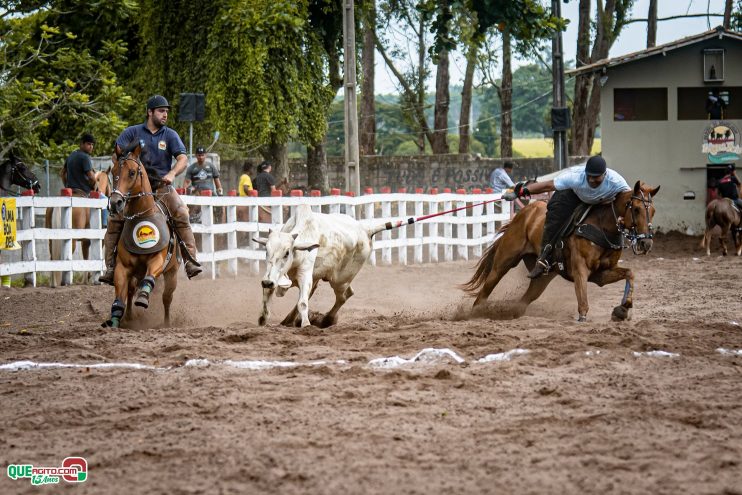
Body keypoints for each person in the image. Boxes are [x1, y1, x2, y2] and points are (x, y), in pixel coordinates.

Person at [99, 94, 202, 285]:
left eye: (166, 112)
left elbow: (183, 159)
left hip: (161, 188)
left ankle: (190, 260)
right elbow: (117, 156)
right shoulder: (131, 132)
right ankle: (111, 267)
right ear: (150, 112)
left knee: (181, 213)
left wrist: (172, 174)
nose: (165, 115)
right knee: (114, 220)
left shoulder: (170, 135)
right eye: (161, 111)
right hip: (133, 191)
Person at [504, 155, 631, 279]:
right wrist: (520, 191)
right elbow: (547, 185)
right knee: (554, 217)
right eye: (589, 176)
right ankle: (544, 258)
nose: (591, 180)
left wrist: (624, 217)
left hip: (600, 201)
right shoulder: (575, 177)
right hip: (572, 195)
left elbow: (628, 201)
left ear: (605, 175)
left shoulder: (616, 181)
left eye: (596, 177)